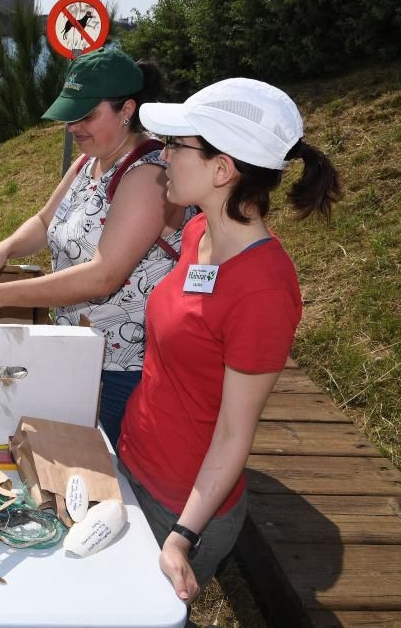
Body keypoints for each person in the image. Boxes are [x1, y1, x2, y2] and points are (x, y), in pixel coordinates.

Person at [120, 78, 341, 605]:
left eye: (176, 146)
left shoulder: (264, 289)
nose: (163, 156)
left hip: (178, 506)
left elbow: (235, 435)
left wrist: (183, 537)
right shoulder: (199, 234)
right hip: (134, 462)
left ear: (223, 170)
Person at [0, 48, 192, 442]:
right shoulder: (89, 162)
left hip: (124, 366)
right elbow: (44, 222)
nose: (73, 127)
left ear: (127, 109)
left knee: (111, 468)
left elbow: (104, 275)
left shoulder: (148, 176)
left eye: (87, 116)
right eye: (70, 115)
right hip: (79, 350)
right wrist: (3, 250)